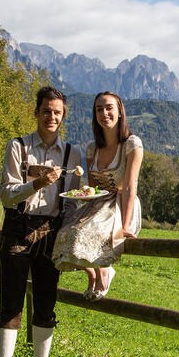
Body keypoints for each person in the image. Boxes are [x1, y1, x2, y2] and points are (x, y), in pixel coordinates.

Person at [0, 86, 81, 357]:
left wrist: (71, 235)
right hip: (18, 226)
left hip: (52, 230)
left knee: (46, 304)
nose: (51, 117)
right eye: (46, 111)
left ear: (63, 116)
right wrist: (37, 184)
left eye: (57, 112)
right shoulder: (17, 147)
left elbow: (72, 201)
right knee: (12, 303)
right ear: (37, 112)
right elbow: (5, 193)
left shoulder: (73, 154)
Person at [52, 91, 143, 301]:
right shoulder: (92, 148)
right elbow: (93, 190)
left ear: (120, 112)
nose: (104, 113)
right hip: (99, 203)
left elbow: (130, 187)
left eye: (109, 107)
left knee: (81, 235)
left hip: (121, 204)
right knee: (62, 234)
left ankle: (104, 269)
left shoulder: (132, 143)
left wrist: (127, 225)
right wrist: (83, 206)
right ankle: (93, 273)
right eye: (99, 109)